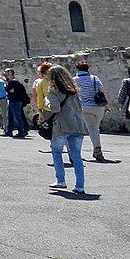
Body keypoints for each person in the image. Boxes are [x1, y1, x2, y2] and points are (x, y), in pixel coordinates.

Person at [43, 65, 89, 194]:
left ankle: (61, 180)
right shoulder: (74, 91)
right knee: (76, 156)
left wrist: (47, 102)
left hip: (61, 126)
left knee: (57, 152)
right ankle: (80, 185)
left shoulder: (53, 91)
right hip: (77, 125)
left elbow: (55, 108)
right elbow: (80, 109)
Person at [74, 60, 108, 162]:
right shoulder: (95, 78)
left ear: (78, 69)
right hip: (99, 107)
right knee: (95, 128)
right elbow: (101, 91)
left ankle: (97, 149)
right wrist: (106, 105)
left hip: (84, 107)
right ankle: (96, 149)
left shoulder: (74, 80)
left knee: (91, 128)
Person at [4, 68, 29, 138]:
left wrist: (6, 87)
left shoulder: (14, 82)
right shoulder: (10, 81)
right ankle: (9, 131)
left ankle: (21, 132)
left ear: (10, 73)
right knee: (10, 117)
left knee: (17, 117)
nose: (5, 73)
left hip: (16, 101)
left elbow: (12, 90)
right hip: (12, 101)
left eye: (7, 72)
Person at [31, 62, 52, 127]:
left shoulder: (38, 82)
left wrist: (39, 110)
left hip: (48, 107)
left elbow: (38, 96)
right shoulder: (59, 80)